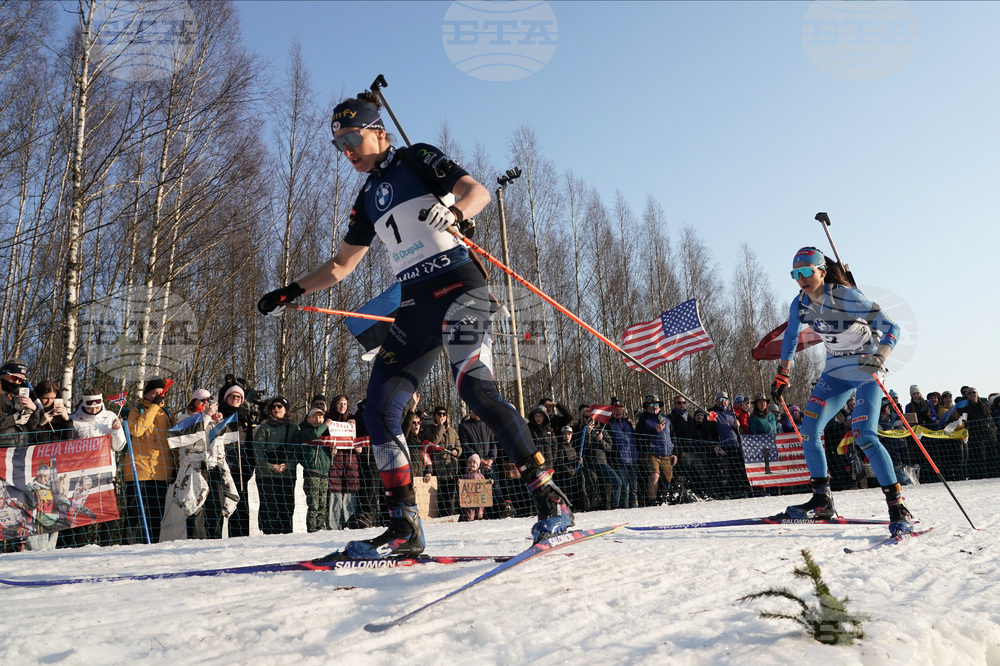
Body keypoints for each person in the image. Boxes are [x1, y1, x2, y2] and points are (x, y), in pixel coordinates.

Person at [257, 91, 573, 557]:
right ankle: (404, 525)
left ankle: (551, 500)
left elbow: (477, 191)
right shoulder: (365, 198)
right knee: (381, 410)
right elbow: (342, 265)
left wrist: (458, 212)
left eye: (353, 138)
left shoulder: (416, 156)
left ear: (378, 131)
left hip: (460, 287)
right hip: (415, 302)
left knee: (474, 390)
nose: (346, 151)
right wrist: (293, 290)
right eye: (338, 143)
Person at [771, 246, 914, 535]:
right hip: (834, 374)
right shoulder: (799, 304)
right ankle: (822, 500)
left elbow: (893, 327)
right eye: (795, 274)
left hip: (864, 371)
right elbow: (790, 337)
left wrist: (881, 355)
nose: (801, 278)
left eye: (806, 272)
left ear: (821, 271)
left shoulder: (847, 296)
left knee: (864, 435)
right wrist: (783, 373)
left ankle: (897, 505)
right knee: (809, 431)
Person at [123, 377, 177, 543]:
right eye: (154, 393)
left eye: (161, 394)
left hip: (161, 472)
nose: (157, 396)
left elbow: (174, 441)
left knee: (155, 515)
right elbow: (137, 430)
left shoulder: (168, 414)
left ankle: (152, 547)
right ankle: (129, 548)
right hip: (138, 471)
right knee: (135, 515)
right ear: (146, 393)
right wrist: (153, 407)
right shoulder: (136, 410)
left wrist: (176, 466)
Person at [252, 397, 299, 535]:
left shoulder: (294, 428)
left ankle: (287, 541)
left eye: (279, 406)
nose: (276, 409)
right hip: (266, 475)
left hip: (287, 475)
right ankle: (268, 539)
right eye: (273, 407)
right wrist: (269, 466)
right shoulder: (263, 428)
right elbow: (257, 451)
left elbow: (298, 451)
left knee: (287, 509)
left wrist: (288, 465)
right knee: (269, 510)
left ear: (286, 410)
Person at [216, 382, 256, 538]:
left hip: (240, 469)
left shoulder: (246, 418)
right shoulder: (219, 415)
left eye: (239, 396)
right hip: (222, 469)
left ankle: (240, 540)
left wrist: (250, 465)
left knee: (241, 510)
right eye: (232, 396)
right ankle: (215, 539)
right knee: (219, 507)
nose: (235, 398)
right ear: (226, 398)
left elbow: (251, 444)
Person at [634, 394, 677, 506]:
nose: (654, 406)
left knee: (668, 478)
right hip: (651, 453)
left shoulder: (667, 420)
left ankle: (664, 500)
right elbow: (639, 438)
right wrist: (654, 430)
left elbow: (673, 437)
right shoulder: (643, 421)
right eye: (652, 404)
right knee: (654, 475)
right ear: (647, 406)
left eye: (656, 404)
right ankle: (652, 501)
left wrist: (675, 453)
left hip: (667, 453)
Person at [578, 405, 621, 511]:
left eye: (591, 417)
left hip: (602, 463)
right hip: (589, 465)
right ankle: (598, 509)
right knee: (597, 488)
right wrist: (587, 433)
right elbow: (582, 448)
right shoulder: (580, 431)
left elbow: (610, 447)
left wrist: (601, 440)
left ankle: (614, 506)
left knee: (617, 482)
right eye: (586, 417)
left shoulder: (602, 430)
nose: (589, 419)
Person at [298, 407, 334, 532]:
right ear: (309, 419)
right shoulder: (306, 430)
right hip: (311, 471)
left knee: (322, 504)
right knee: (313, 504)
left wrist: (332, 451)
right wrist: (325, 424)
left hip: (324, 472)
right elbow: (314, 434)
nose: (318, 419)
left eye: (320, 417)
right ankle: (312, 530)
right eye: (315, 417)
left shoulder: (326, 433)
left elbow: (329, 454)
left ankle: (320, 528)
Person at [428, 406, 462, 518]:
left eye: (444, 414)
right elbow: (434, 441)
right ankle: (441, 519)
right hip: (438, 468)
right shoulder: (430, 429)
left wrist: (456, 451)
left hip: (452, 469)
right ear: (435, 416)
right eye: (439, 414)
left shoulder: (453, 431)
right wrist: (440, 426)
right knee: (440, 497)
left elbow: (459, 446)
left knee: (451, 497)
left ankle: (452, 518)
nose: (442, 416)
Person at [605, 398, 639, 508]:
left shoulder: (627, 422)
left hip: (633, 458)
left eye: (620, 409)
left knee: (634, 487)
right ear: (611, 411)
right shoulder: (608, 424)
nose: (618, 411)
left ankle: (634, 506)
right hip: (619, 460)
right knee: (625, 487)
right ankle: (624, 509)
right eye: (615, 409)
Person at [0, 360, 40, 445]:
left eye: (21, 379)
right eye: (14, 377)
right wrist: (12, 419)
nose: (17, 382)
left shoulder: (22, 394)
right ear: (3, 374)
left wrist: (34, 410)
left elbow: (31, 427)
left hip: (20, 448)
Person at [460, 453, 486, 522]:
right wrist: (460, 483)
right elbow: (462, 485)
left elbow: (484, 485)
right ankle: (469, 518)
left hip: (478, 497)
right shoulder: (466, 475)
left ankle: (479, 517)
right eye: (470, 463)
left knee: (479, 508)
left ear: (478, 465)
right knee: (469, 509)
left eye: (474, 463)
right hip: (469, 497)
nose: (471, 464)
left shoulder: (480, 476)